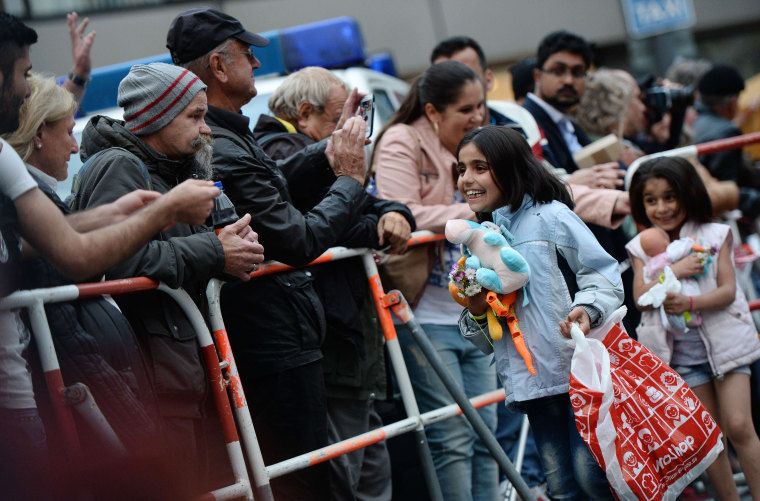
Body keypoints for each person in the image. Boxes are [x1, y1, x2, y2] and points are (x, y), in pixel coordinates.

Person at [0, 12, 225, 498]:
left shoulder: (12, 166)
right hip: (35, 392)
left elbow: (41, 238)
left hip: (56, 384)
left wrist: (119, 214)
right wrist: (171, 220)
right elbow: (81, 256)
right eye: (22, 73)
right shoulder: (117, 162)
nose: (24, 89)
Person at [166, 7, 373, 500]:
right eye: (248, 54)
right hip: (271, 343)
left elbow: (273, 185)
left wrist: (326, 154)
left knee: (309, 474)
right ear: (218, 65)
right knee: (304, 481)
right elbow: (298, 240)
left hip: (278, 336)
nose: (257, 65)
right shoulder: (222, 144)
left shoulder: (232, 133)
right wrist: (348, 178)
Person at [71, 61, 265, 493]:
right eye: (195, 116)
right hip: (151, 379)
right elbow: (115, 259)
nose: (207, 129)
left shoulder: (180, 167)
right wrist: (216, 251)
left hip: (182, 372)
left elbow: (196, 254)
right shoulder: (120, 165)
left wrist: (235, 247)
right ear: (157, 117)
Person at [254, 66, 415, 501]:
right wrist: (380, 224)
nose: (354, 131)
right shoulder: (282, 150)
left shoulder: (303, 148)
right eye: (342, 118)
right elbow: (322, 225)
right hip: (327, 332)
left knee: (364, 458)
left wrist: (395, 210)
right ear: (305, 114)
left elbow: (364, 199)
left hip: (337, 329)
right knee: (349, 468)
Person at [457, 125, 622, 500]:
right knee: (561, 486)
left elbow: (602, 273)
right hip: (533, 384)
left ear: (511, 166)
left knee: (592, 477)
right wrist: (477, 311)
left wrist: (587, 309)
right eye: (461, 168)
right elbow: (485, 339)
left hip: (579, 372)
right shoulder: (474, 241)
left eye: (479, 167)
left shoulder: (551, 216)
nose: (467, 179)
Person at [3, 72, 162, 457]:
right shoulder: (20, 189)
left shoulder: (31, 192)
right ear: (39, 133)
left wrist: (113, 213)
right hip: (54, 389)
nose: (76, 149)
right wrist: (160, 214)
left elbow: (51, 239)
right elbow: (72, 256)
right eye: (69, 133)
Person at [373, 60, 499, 501]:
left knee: (489, 433)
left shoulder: (474, 144)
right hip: (424, 313)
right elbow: (401, 210)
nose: (478, 116)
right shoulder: (399, 140)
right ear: (432, 112)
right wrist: (473, 212)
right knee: (453, 437)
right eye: (466, 109)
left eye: (481, 105)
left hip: (477, 309)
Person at [626, 156, 760, 499]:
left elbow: (729, 291)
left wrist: (689, 302)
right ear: (640, 204)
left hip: (728, 346)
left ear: (688, 193)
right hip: (682, 356)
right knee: (709, 440)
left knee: (740, 425)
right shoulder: (641, 247)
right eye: (651, 200)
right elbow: (640, 298)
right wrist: (674, 272)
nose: (662, 208)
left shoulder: (715, 234)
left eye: (670, 196)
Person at [430, 36, 630, 232]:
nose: (568, 80)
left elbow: (537, 182)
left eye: (578, 72)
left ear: (487, 79)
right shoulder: (411, 139)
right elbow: (410, 212)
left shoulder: (519, 121)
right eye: (444, 80)